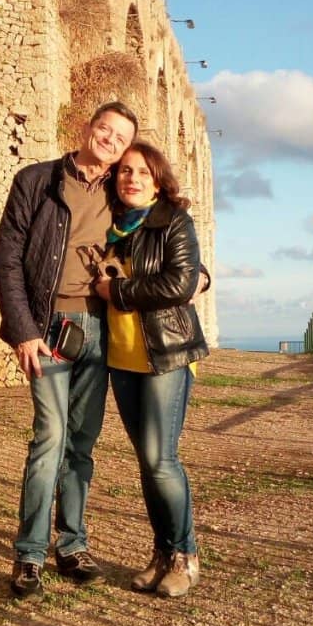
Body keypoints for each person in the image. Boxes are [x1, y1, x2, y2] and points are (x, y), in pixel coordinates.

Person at [0, 101, 139, 599]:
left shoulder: (123, 196)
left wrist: (195, 274)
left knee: (81, 442)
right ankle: (29, 554)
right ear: (87, 127)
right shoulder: (36, 180)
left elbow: (164, 226)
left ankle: (71, 545)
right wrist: (23, 330)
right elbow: (8, 257)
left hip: (101, 329)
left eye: (120, 138)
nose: (109, 140)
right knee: (50, 436)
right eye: (105, 129)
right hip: (48, 327)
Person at [93, 142, 208, 599]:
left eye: (142, 171)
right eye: (124, 170)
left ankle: (185, 556)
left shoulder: (172, 221)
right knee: (147, 463)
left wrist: (116, 293)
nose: (132, 178)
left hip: (166, 355)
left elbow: (180, 283)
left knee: (162, 460)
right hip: (122, 358)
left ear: (158, 180)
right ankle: (161, 553)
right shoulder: (109, 226)